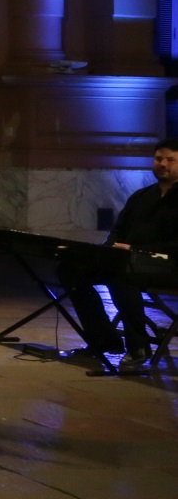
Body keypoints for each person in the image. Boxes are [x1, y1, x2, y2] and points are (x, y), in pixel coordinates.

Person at [58, 138, 178, 372]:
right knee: (70, 270)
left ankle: (138, 346)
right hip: (130, 261)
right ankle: (104, 340)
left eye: (170, 160)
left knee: (122, 275)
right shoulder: (141, 196)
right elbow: (118, 230)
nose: (162, 164)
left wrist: (138, 251)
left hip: (169, 266)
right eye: (158, 159)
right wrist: (110, 249)